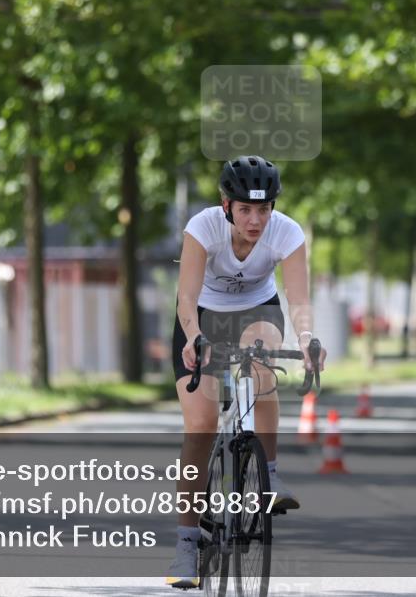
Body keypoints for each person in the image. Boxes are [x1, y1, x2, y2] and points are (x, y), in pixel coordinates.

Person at [166, 155, 327, 589]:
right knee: (200, 425)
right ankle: (186, 546)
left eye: (264, 209)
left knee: (261, 366)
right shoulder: (203, 227)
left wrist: (307, 337)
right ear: (226, 206)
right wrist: (194, 337)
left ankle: (268, 476)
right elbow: (186, 298)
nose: (256, 220)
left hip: (258, 310)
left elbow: (298, 300)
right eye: (245, 210)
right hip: (201, 317)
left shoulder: (287, 232)